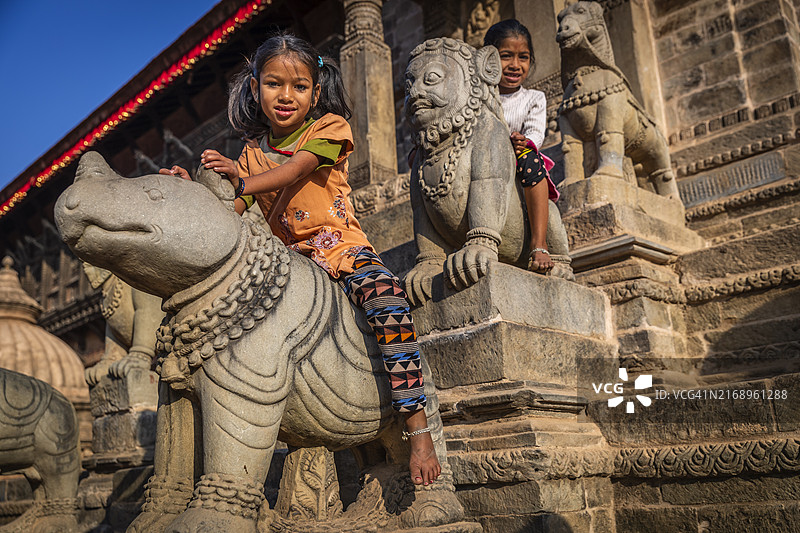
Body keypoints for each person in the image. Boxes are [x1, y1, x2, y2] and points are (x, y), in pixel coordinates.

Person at [160, 34, 441, 486]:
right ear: (255, 88)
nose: (286, 96)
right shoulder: (251, 153)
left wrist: (240, 181)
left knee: (388, 302)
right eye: (273, 84)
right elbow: (229, 211)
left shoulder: (329, 128)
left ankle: (418, 428)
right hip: (285, 267)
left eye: (299, 87)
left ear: (315, 90)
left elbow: (294, 170)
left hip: (341, 250)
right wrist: (189, 191)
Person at [484, 19, 560, 274]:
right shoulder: (481, 98)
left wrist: (525, 141)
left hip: (518, 158)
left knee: (530, 157)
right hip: (486, 159)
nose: (515, 65)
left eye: (523, 57)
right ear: (489, 60)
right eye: (506, 56)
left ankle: (539, 243)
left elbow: (537, 132)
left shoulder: (533, 98)